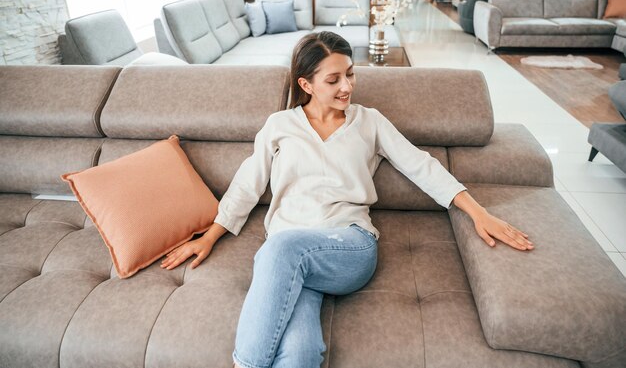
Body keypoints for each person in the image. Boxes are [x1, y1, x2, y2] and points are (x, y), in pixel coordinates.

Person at [160, 31, 534, 368]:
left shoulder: (369, 121)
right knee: (301, 352)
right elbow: (247, 185)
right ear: (306, 84)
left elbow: (421, 165)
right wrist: (209, 237)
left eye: (350, 74)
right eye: (333, 79)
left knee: (281, 249)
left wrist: (477, 212)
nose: (347, 86)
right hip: (292, 255)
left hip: (349, 246)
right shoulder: (280, 126)